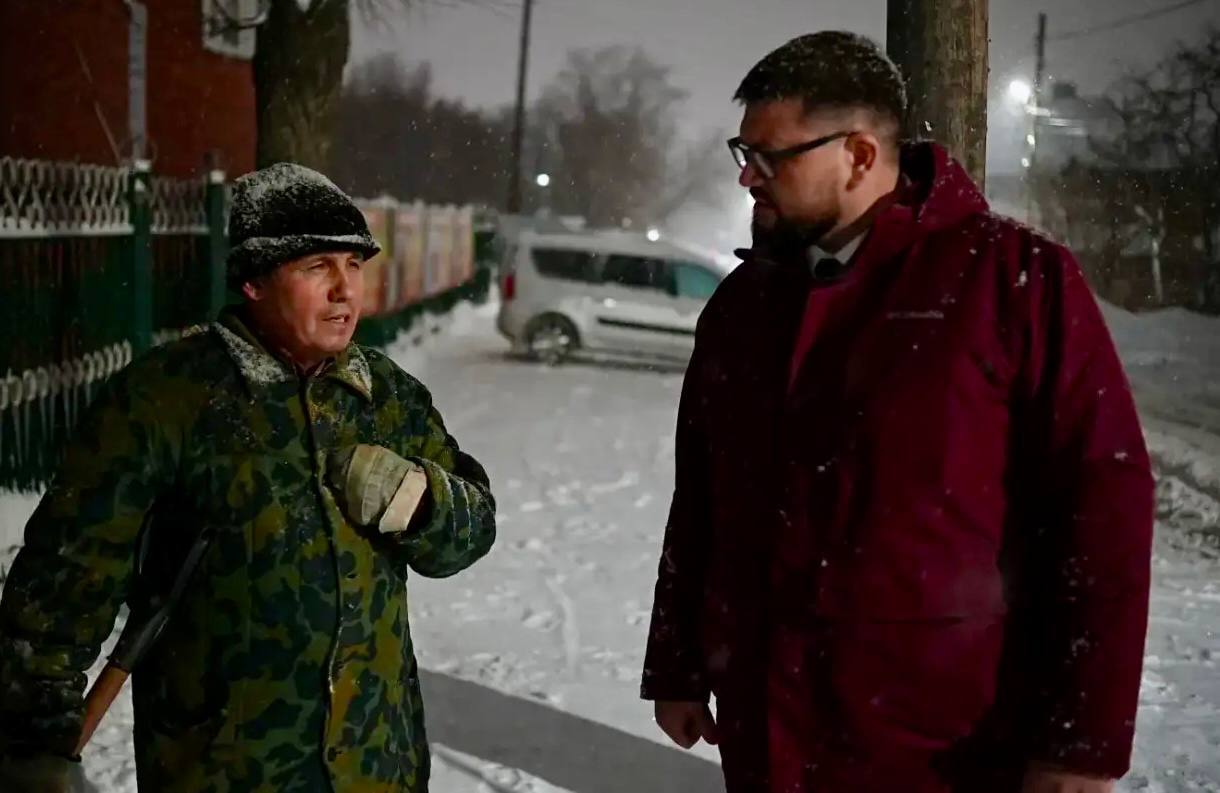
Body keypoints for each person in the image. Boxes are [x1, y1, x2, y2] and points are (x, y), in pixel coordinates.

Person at [642, 31, 1154, 793]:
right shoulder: (743, 307)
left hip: (941, 744)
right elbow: (701, 498)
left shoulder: (1012, 281)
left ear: (857, 154)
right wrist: (680, 661)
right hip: (769, 732)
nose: (747, 176)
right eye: (742, 152)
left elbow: (1102, 508)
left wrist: (1081, 743)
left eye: (770, 156)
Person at [0, 163, 497, 792]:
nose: (344, 290)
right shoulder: (169, 398)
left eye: (353, 265)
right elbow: (66, 580)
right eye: (317, 267)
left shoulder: (387, 396)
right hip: (226, 772)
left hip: (375, 765)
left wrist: (421, 503)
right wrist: (34, 744)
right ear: (254, 282)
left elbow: (474, 531)